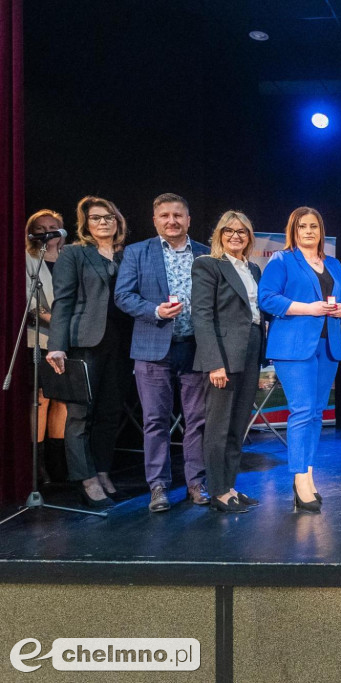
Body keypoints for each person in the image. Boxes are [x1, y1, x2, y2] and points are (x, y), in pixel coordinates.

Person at [115, 193, 211, 512]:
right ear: (155, 220)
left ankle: (196, 483)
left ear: (188, 220)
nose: (172, 221)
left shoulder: (206, 254)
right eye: (165, 215)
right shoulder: (136, 252)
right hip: (152, 347)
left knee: (197, 420)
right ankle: (158, 486)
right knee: (155, 420)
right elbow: (123, 296)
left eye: (178, 215)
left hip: (196, 348)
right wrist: (156, 310)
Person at [258, 207, 341, 512]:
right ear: (293, 231)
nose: (309, 231)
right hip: (293, 346)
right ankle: (299, 481)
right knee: (301, 412)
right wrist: (307, 308)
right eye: (303, 227)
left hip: (328, 345)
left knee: (315, 414)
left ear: (321, 231)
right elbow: (267, 299)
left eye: (314, 226)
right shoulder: (282, 260)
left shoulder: (333, 263)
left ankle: (308, 476)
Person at [46, 197, 134, 507]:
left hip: (122, 344)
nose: (103, 222)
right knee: (81, 415)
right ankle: (85, 478)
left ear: (118, 220)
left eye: (109, 216)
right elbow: (63, 301)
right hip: (85, 342)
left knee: (110, 413)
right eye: (95, 218)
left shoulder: (128, 255)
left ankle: (102, 470)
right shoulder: (74, 254)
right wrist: (56, 345)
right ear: (86, 224)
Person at [191, 211, 265, 513]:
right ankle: (218, 490)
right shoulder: (208, 265)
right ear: (219, 235)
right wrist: (214, 363)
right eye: (229, 231)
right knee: (218, 427)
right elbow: (202, 316)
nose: (236, 236)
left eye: (242, 232)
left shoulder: (255, 269)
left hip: (251, 350)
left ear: (249, 237)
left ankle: (231, 485)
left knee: (237, 427)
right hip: (223, 355)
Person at [25, 209, 68, 484]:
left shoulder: (69, 257)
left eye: (52, 226)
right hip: (40, 338)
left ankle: (58, 461)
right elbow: (29, 304)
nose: (47, 231)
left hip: (68, 341)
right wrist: (58, 322)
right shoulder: (29, 258)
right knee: (42, 399)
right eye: (40, 227)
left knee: (63, 400)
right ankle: (37, 464)